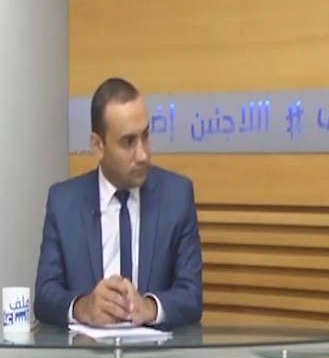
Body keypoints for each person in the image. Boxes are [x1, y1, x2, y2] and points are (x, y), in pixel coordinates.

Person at [34, 77, 203, 328]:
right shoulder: (64, 203)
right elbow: (45, 296)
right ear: (98, 146)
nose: (143, 155)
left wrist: (149, 307)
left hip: (155, 352)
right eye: (128, 142)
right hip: (86, 351)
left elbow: (191, 296)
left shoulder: (177, 196)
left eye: (145, 136)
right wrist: (84, 307)